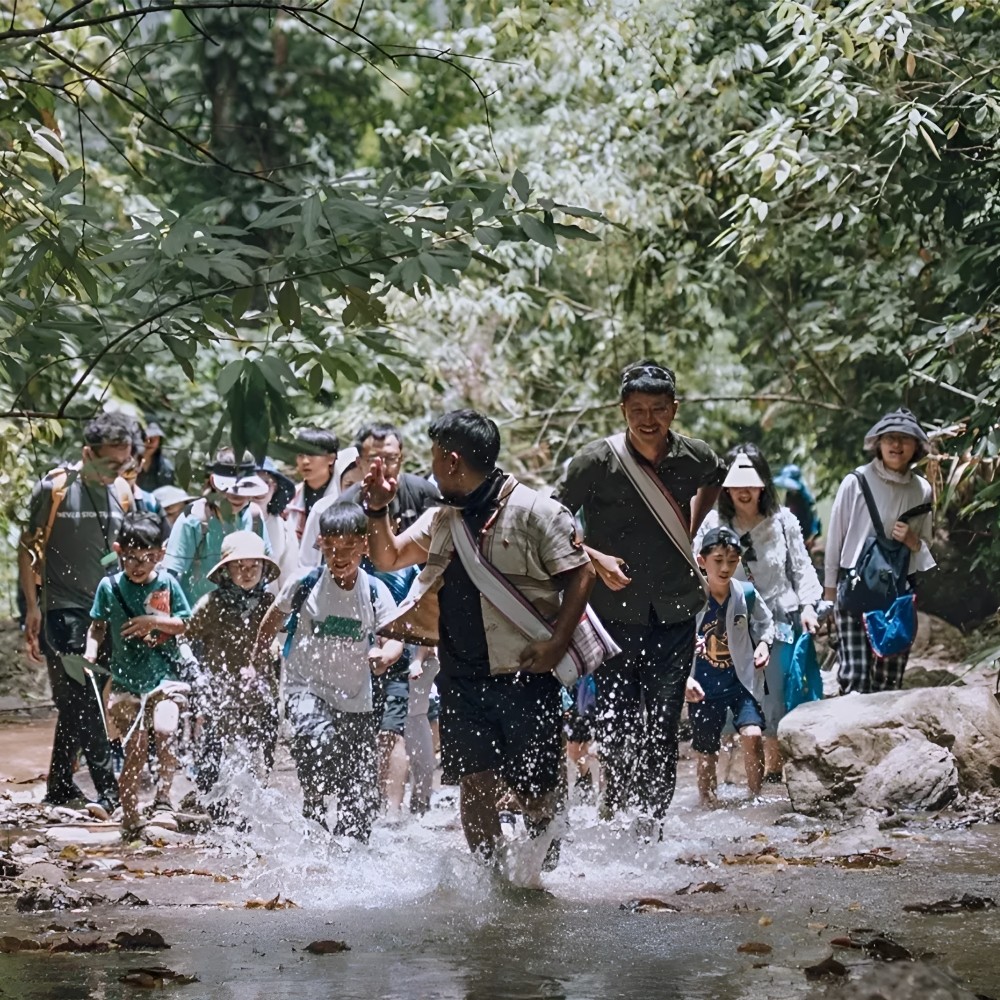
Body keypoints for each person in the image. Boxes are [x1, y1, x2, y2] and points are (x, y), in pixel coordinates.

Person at [364, 410, 596, 866]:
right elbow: (388, 556)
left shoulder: (536, 511)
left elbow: (581, 573)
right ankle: (493, 882)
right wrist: (376, 510)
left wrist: (556, 644)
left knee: (537, 789)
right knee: (475, 782)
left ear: (451, 461)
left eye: (433, 457)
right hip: (461, 678)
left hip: (526, 675)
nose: (429, 467)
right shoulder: (440, 520)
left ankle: (541, 873)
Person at [557, 360, 726, 823]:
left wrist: (688, 528)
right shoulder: (595, 460)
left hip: (674, 609)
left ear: (674, 408)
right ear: (622, 410)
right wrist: (594, 558)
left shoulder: (695, 456)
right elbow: (554, 520)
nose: (648, 419)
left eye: (657, 409)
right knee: (616, 719)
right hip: (611, 612)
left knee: (666, 721)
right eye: (637, 410)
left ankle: (652, 822)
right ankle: (615, 805)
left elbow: (716, 476)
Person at [253, 503, 403, 840]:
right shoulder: (304, 582)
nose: (340, 557)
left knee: (360, 793)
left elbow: (394, 638)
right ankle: (315, 811)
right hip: (305, 687)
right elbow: (272, 621)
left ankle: (350, 856)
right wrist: (257, 658)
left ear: (365, 545)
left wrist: (384, 655)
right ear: (320, 543)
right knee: (318, 742)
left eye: (349, 549)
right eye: (333, 548)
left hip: (356, 700)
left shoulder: (375, 590)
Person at [18, 411, 136, 815]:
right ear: (88, 453)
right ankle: (111, 793)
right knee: (86, 700)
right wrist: (32, 608)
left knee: (76, 701)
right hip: (61, 609)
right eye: (110, 462)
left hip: (103, 614)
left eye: (124, 463)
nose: (118, 471)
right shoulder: (53, 489)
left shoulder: (122, 491)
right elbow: (27, 548)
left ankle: (59, 787)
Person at [695, 446, 823, 781]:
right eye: (737, 480)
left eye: (751, 479)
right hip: (725, 623)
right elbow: (695, 571)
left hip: (778, 622)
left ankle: (773, 776)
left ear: (763, 482)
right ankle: (726, 777)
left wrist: (809, 606)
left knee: (774, 699)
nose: (744, 489)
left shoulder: (783, 523)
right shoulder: (714, 522)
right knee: (722, 702)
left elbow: (802, 568)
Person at [85, 513, 191, 839]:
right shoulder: (109, 587)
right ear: (119, 551)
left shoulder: (168, 584)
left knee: (165, 730)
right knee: (135, 749)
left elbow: (184, 622)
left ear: (159, 554)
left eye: (146, 558)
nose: (137, 565)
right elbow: (97, 626)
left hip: (165, 678)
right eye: (130, 558)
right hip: (124, 683)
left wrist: (152, 621)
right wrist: (90, 651)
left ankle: (163, 798)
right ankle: (130, 815)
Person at [824, 408, 935, 693]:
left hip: (898, 591)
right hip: (855, 587)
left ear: (916, 447)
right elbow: (835, 538)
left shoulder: (922, 490)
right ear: (878, 443)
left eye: (904, 439)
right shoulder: (856, 481)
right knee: (855, 677)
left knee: (889, 681)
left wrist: (912, 541)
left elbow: (925, 550)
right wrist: (828, 593)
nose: (896, 445)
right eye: (890, 438)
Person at [186, 531, 280, 802]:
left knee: (259, 756)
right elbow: (187, 640)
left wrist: (271, 651)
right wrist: (196, 677)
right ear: (226, 570)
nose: (248, 573)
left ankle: (252, 810)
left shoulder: (268, 603)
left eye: (254, 566)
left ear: (263, 569)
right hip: (221, 696)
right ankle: (211, 806)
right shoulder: (210, 605)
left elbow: (280, 639)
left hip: (261, 694)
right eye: (240, 566)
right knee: (216, 757)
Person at [685, 526, 774, 808]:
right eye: (718, 560)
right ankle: (707, 803)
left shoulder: (744, 594)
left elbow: (766, 622)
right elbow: (671, 639)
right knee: (706, 751)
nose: (725, 568)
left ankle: (755, 798)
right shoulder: (691, 598)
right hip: (703, 685)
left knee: (752, 734)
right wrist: (683, 678)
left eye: (732, 560)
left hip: (740, 681)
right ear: (702, 561)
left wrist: (763, 645)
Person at [298, 421, 438, 572]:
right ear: (359, 463)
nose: (383, 467)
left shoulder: (422, 492)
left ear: (401, 458)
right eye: (373, 460)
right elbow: (328, 559)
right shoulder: (345, 503)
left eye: (391, 458)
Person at [161, 450, 271, 605]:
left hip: (242, 613)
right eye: (230, 489)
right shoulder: (194, 519)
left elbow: (265, 569)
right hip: (195, 615)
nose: (237, 495)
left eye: (244, 488)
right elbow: (170, 575)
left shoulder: (254, 518)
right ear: (213, 482)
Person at [286, 427, 346, 542]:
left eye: (312, 454)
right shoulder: (290, 497)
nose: (305, 461)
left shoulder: (342, 495)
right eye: (300, 455)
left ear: (331, 458)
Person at [256, 457, 299, 589]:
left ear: (274, 488)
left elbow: (289, 580)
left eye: (266, 483)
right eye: (253, 483)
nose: (260, 489)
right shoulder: (227, 522)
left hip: (269, 606)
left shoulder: (284, 528)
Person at [773, 464, 821, 549]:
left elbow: (815, 517)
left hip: (804, 536)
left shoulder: (806, 497)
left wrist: (813, 535)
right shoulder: (789, 494)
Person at [136, 421, 176, 492]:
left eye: (154, 438)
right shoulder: (126, 465)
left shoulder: (166, 468)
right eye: (144, 437)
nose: (149, 442)